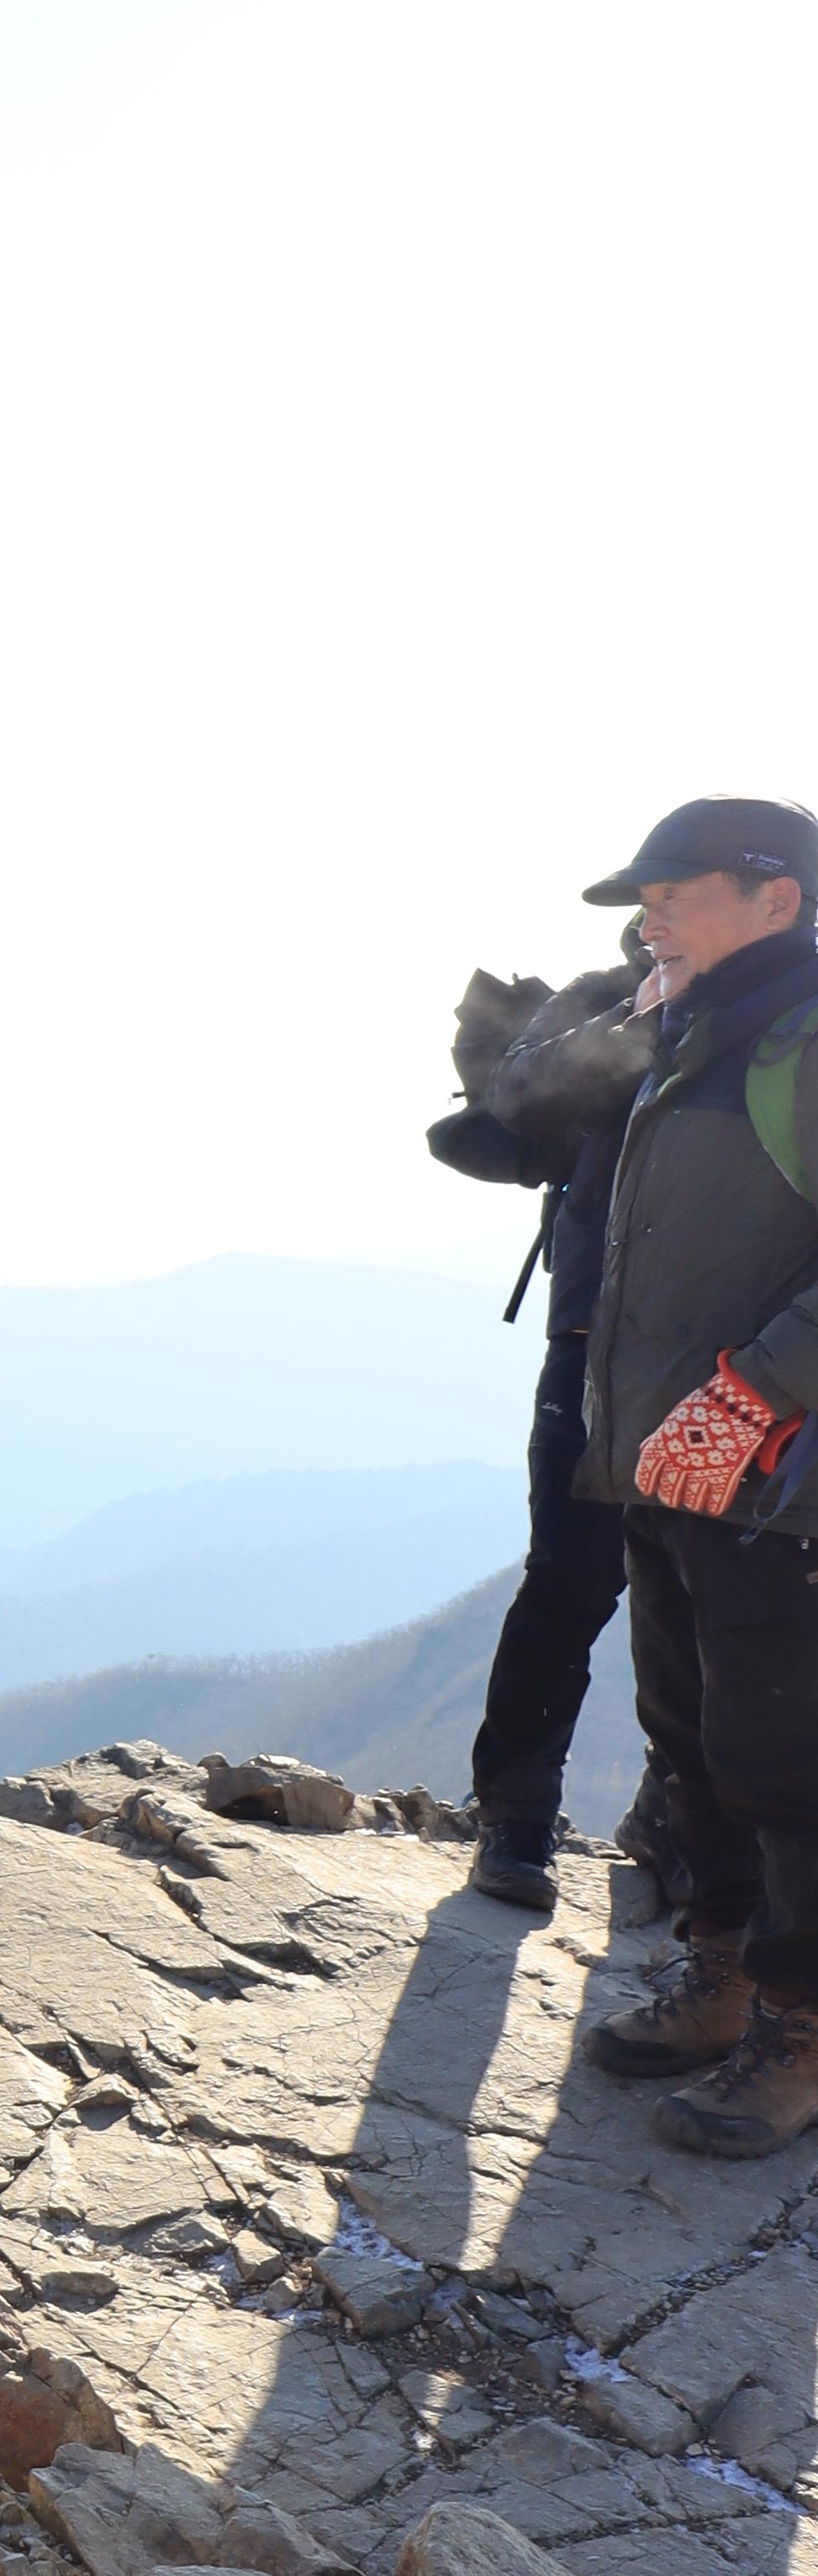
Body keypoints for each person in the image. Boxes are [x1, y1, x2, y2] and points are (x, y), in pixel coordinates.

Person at [570, 798, 818, 2158]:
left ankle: (799, 2032)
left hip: (776, 1481)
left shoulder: (804, 1036)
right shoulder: (699, 1032)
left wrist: (756, 1389)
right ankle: (720, 1977)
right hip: (668, 1467)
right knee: (694, 1739)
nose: (649, 914)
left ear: (777, 897)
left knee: (789, 1758)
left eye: (678, 890)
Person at [427, 952, 653, 1907]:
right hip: (599, 1345)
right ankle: (515, 1822)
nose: (656, 917)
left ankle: (680, 1833)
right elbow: (516, 1104)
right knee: (570, 1580)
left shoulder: (786, 1022)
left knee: (716, 1607)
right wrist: (638, 1016)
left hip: (742, 1360)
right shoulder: (615, 1000)